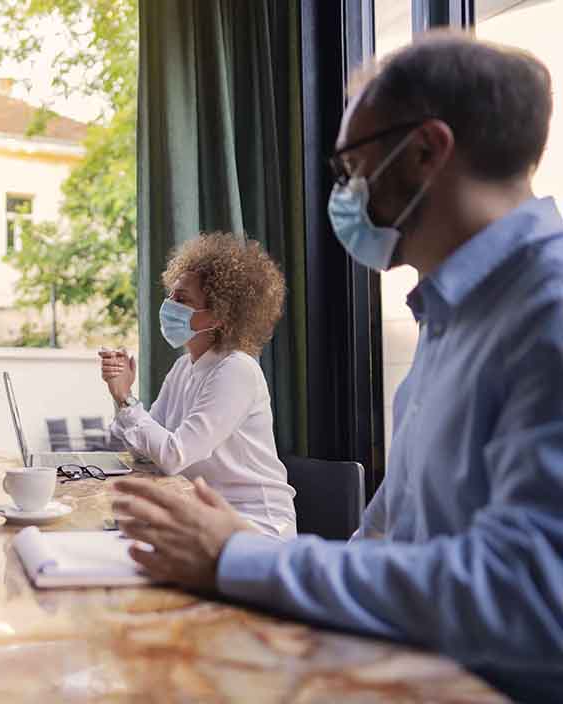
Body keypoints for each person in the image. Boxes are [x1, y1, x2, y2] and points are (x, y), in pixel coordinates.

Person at [112, 33, 563, 700]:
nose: (345, 190)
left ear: (425, 151)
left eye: (353, 163)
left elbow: (533, 597)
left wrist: (240, 557)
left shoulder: (546, 315)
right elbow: (387, 533)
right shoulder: (451, 318)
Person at [99, 232, 296, 539]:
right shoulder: (184, 367)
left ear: (218, 317)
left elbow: (173, 456)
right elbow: (145, 452)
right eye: (170, 296)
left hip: (256, 527)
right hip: (207, 520)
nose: (169, 305)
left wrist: (127, 399)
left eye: (183, 300)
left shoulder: (236, 371)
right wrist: (121, 395)